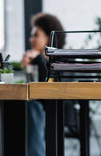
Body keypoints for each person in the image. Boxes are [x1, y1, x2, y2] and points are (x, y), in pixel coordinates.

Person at [21, 12, 65, 156]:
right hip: (39, 107)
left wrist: (40, 59)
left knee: (33, 107)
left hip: (57, 108)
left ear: (48, 37)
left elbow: (49, 91)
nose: (31, 39)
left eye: (36, 35)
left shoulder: (60, 60)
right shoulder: (35, 60)